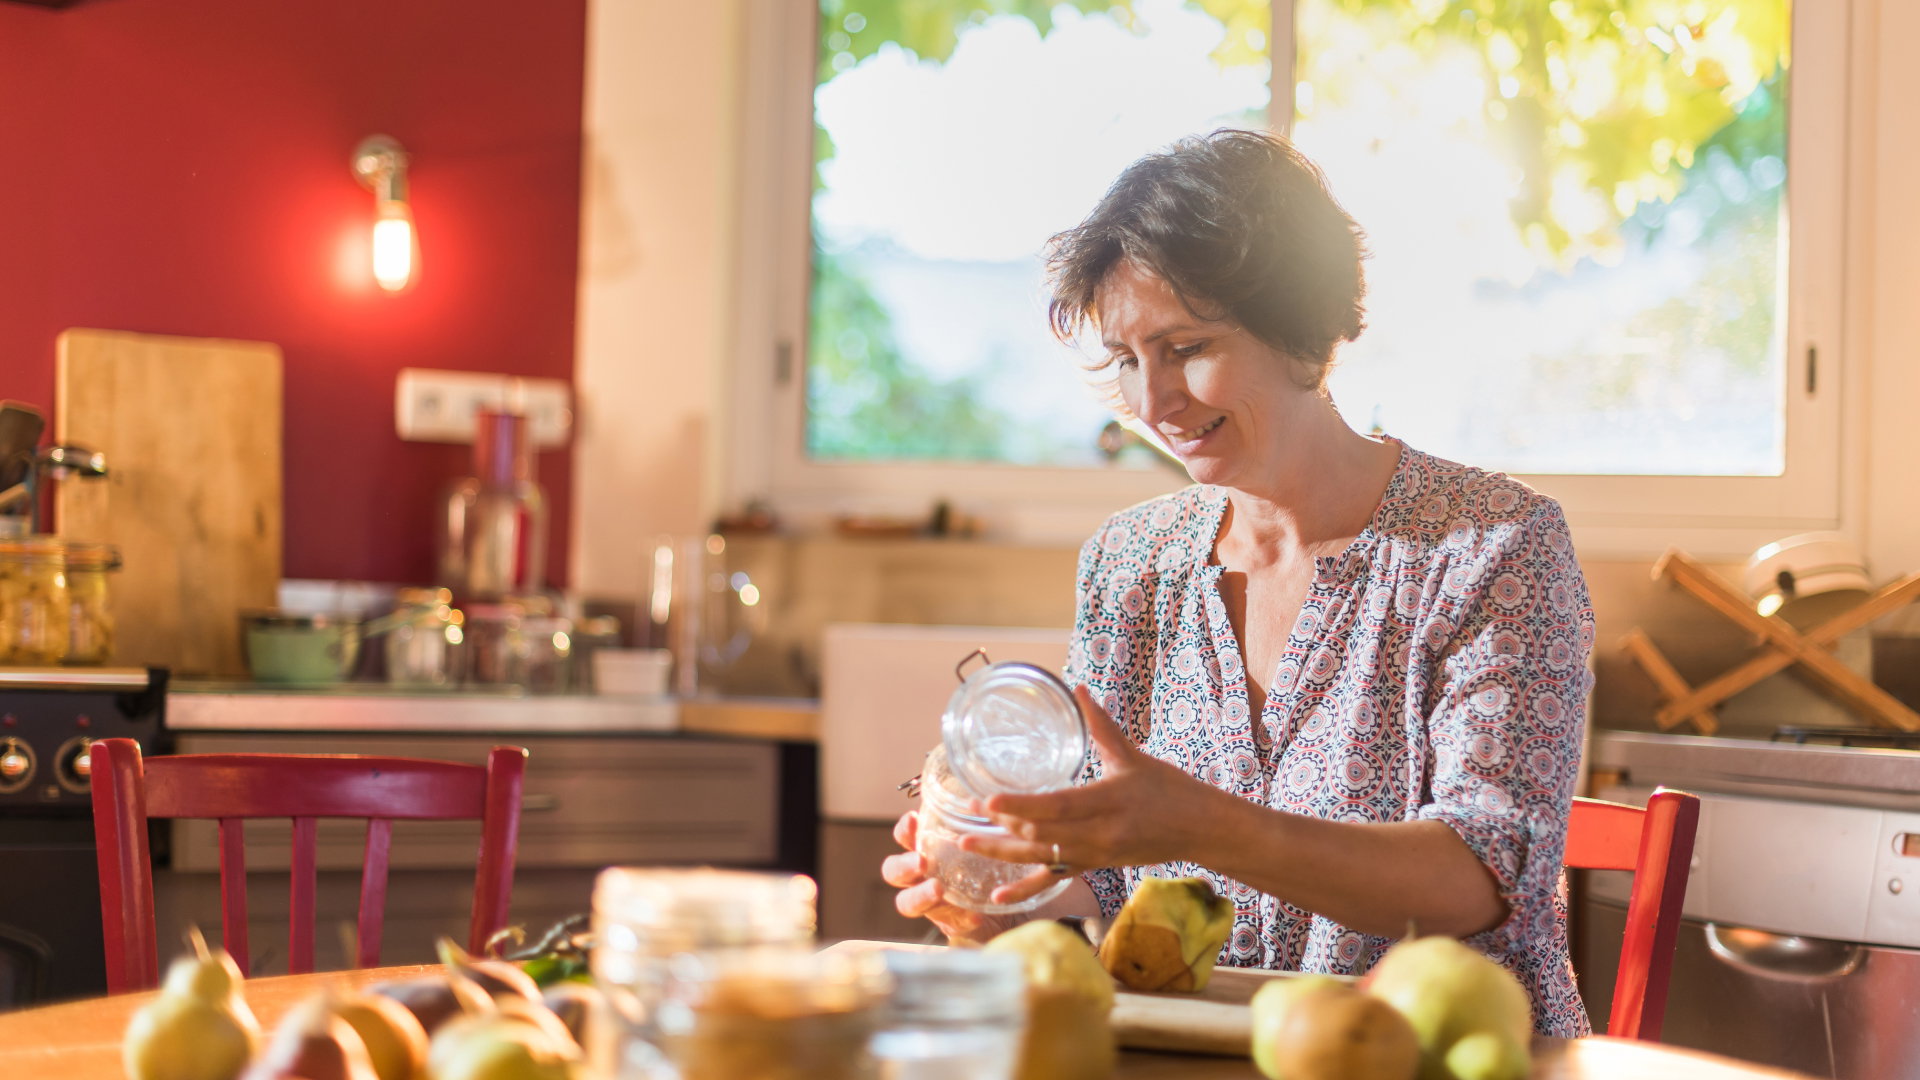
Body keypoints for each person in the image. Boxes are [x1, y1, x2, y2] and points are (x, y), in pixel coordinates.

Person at [880, 128, 1595, 1038]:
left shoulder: (1492, 548)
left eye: (1185, 347)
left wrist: (1197, 824)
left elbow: (1481, 879)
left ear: (1300, 324)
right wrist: (994, 911)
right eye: (1126, 361)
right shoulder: (1130, 564)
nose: (1152, 403)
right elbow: (1110, 886)